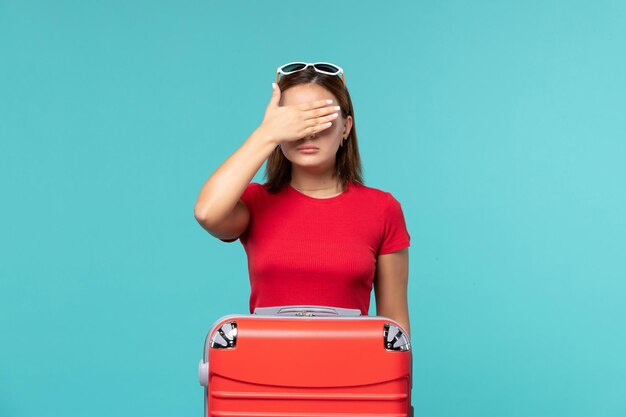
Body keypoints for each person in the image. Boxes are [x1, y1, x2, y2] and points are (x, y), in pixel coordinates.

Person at [194, 62, 411, 335]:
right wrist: (267, 133)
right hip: (265, 371)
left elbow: (395, 330)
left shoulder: (382, 209)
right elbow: (207, 213)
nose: (308, 132)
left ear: (346, 127)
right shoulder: (255, 202)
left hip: (352, 372)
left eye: (321, 118)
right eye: (295, 121)